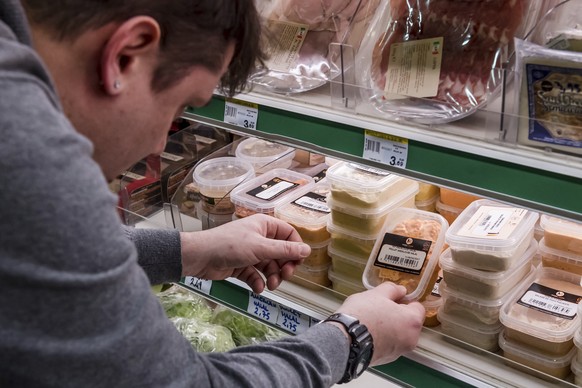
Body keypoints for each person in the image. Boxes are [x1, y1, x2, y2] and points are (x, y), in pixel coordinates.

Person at [0, 0, 425, 387]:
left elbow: (49, 248)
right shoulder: (25, 146)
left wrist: (188, 251)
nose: (157, 145)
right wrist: (351, 338)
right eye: (181, 106)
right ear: (128, 53)